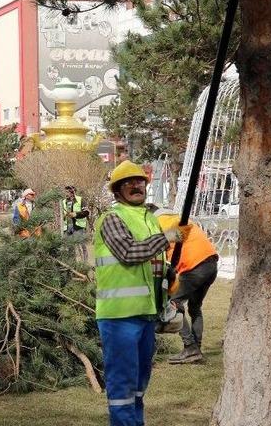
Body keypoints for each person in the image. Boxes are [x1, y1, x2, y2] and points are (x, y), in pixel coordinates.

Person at [93, 160, 187, 426]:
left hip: (146, 314)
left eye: (139, 182)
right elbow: (129, 253)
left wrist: (168, 273)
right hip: (119, 316)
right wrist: (167, 237)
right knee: (123, 385)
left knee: (138, 385)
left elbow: (152, 262)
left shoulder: (149, 219)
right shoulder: (112, 218)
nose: (136, 186)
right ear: (117, 191)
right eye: (128, 183)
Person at [154, 208, 218, 364]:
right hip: (211, 264)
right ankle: (196, 350)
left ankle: (190, 347)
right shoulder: (179, 219)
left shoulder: (158, 223)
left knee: (173, 304)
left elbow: (159, 255)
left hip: (194, 267)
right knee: (195, 308)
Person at [62, 185, 91, 262]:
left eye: (68, 191)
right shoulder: (63, 202)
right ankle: (72, 264)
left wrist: (76, 214)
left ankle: (84, 264)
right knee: (70, 247)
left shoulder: (80, 199)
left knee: (82, 245)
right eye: (65, 191)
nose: (66, 193)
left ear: (72, 192)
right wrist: (63, 216)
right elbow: (61, 214)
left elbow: (86, 212)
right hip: (67, 227)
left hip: (78, 226)